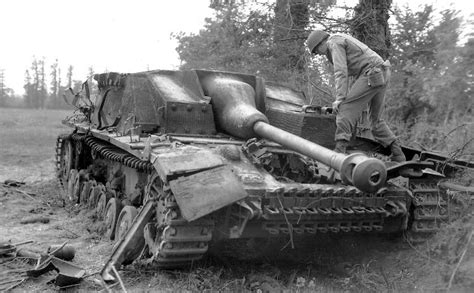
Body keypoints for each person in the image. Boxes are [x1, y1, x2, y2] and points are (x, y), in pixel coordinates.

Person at [306, 30, 406, 162]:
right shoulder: (339, 38)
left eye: (316, 51)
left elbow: (341, 71)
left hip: (372, 73)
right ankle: (398, 154)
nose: (318, 54)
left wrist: (340, 98)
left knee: (344, 109)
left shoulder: (333, 43)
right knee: (375, 121)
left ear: (321, 42)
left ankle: (338, 152)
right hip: (382, 72)